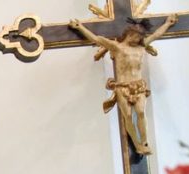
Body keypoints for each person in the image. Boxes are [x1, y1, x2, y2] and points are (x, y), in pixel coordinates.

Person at [68, 14, 178, 155]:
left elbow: (156, 34)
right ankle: (137, 144)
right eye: (137, 36)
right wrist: (80, 27)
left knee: (140, 112)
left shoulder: (141, 47)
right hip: (122, 87)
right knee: (127, 115)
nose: (139, 39)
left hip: (138, 86)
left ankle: (144, 141)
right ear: (130, 34)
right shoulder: (117, 47)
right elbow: (96, 39)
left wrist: (168, 23)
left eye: (140, 37)